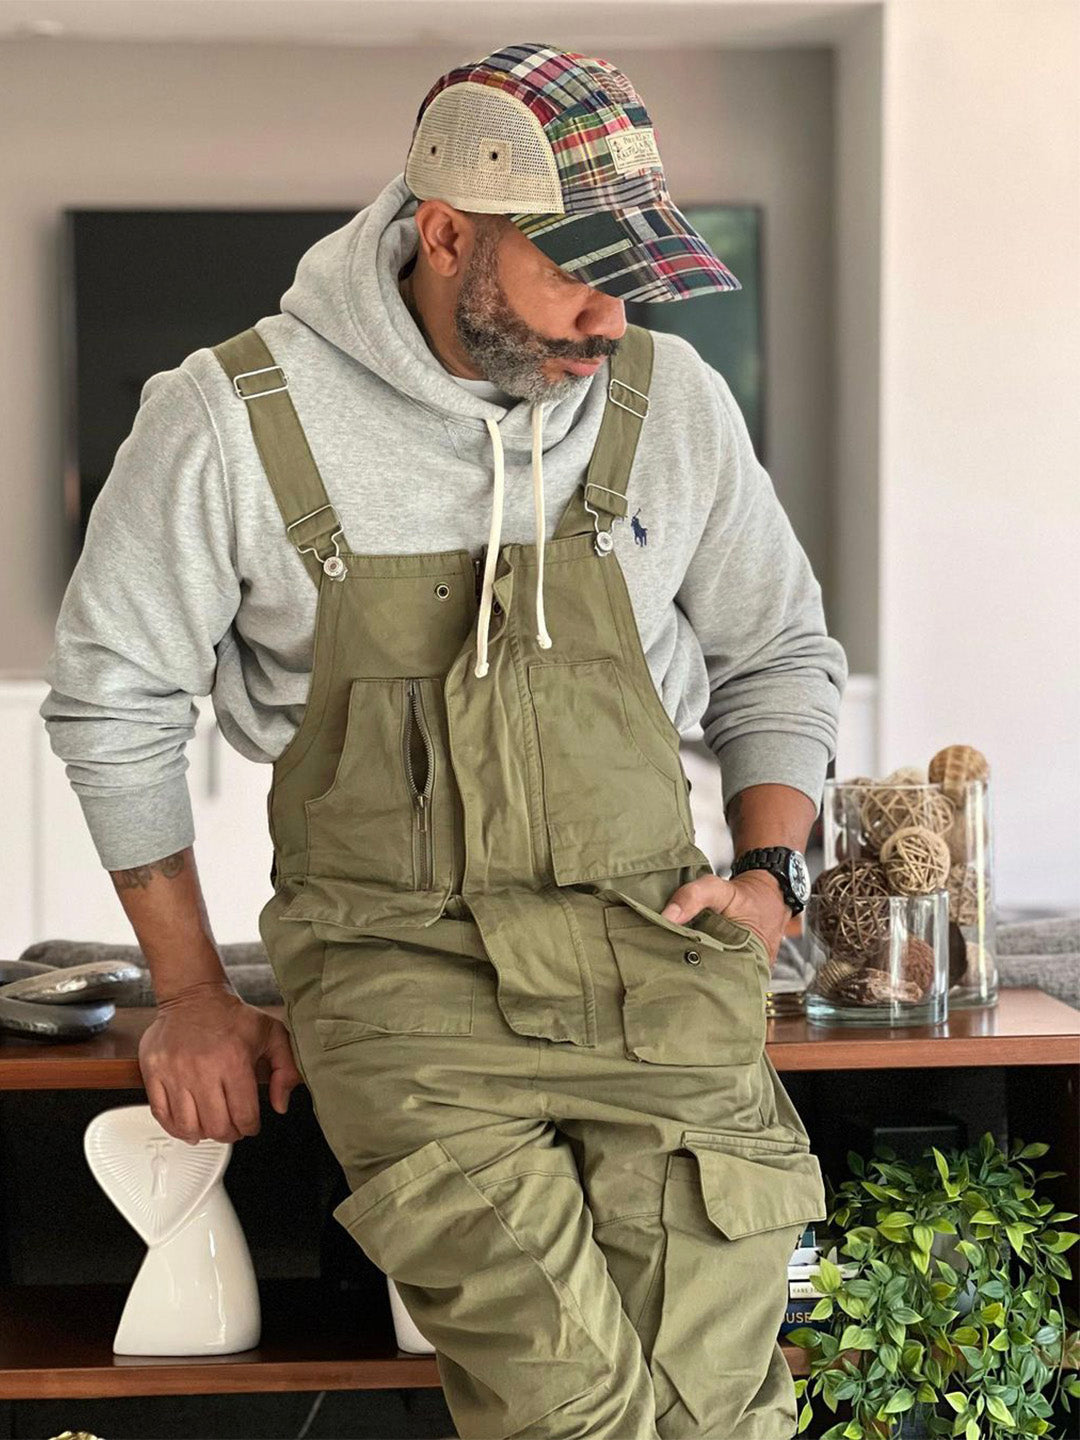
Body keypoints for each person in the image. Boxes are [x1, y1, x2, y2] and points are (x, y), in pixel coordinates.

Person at [40, 42, 849, 1440]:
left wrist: (772, 871)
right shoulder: (228, 418)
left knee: (729, 1412)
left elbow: (776, 649)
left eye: (633, 280)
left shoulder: (674, 406)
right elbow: (117, 705)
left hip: (655, 961)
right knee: (573, 1409)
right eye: (575, 274)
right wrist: (191, 993)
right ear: (448, 234)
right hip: (398, 977)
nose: (608, 321)